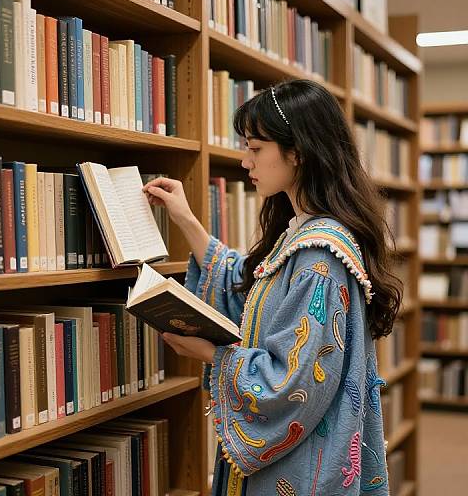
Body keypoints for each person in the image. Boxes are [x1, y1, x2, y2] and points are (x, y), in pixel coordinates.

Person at [143, 79, 402, 496]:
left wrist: (211, 354)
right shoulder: (303, 233)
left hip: (299, 473)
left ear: (297, 151)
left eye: (255, 148)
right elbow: (255, 300)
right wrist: (187, 223)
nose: (246, 161)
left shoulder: (321, 258)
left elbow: (293, 382)